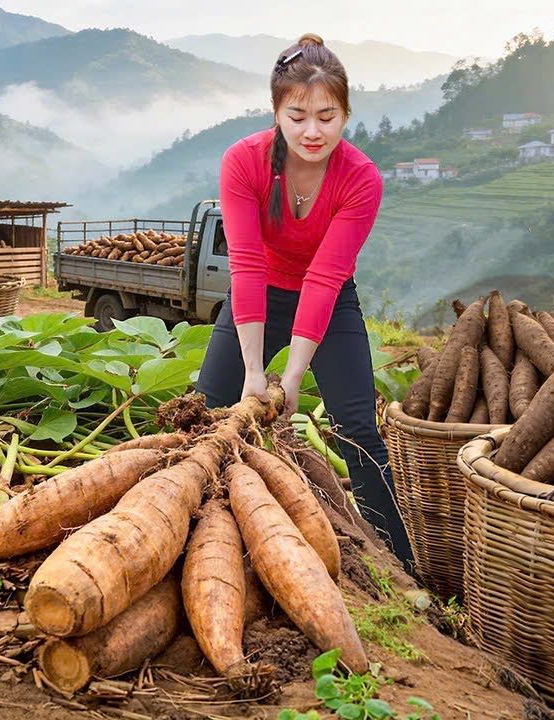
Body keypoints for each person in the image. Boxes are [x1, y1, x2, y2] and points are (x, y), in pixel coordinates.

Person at [194, 33, 415, 570]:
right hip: (258, 292)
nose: (312, 131)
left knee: (358, 427)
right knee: (203, 410)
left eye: (327, 116)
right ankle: (200, 529)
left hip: (330, 299)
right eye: (297, 117)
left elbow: (324, 277)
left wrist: (290, 379)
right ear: (275, 113)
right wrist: (254, 370)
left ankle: (400, 568)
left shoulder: (360, 177)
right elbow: (245, 264)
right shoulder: (243, 162)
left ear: (346, 114)